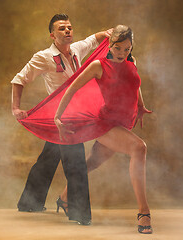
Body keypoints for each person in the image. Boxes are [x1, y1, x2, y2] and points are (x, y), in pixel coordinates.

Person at [11, 13, 111, 225]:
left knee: (48, 159)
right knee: (75, 163)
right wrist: (15, 108)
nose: (67, 31)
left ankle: (29, 202)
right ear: (52, 35)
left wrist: (111, 35)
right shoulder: (44, 56)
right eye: (62, 29)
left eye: (69, 28)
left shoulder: (77, 49)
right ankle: (80, 213)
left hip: (77, 113)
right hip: (61, 119)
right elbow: (19, 79)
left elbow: (95, 38)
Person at [53, 25, 153, 234]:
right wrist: (57, 115)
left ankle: (63, 199)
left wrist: (141, 106)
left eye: (127, 49)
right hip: (106, 123)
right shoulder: (99, 65)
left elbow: (135, 82)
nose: (122, 54)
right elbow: (72, 88)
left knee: (91, 164)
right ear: (109, 44)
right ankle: (144, 213)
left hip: (124, 122)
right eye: (118, 49)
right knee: (139, 148)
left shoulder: (131, 61)